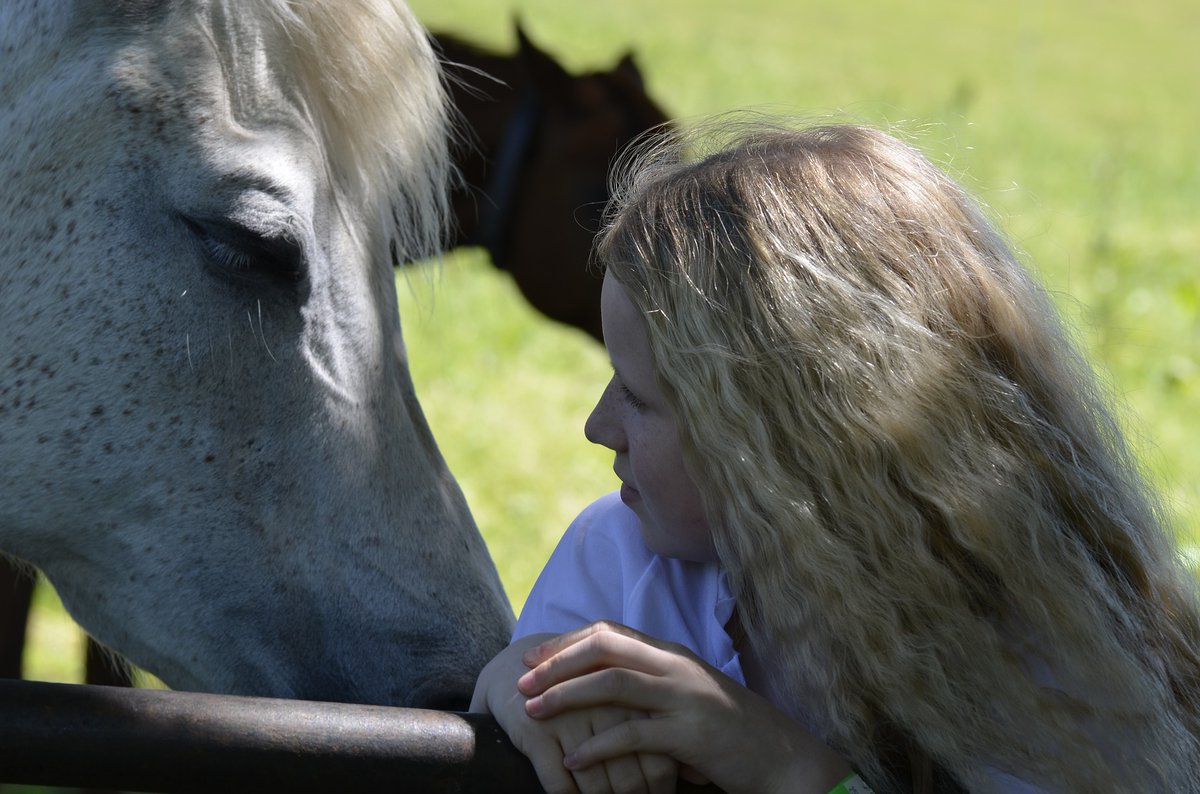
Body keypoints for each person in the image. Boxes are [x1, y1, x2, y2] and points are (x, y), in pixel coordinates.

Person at [470, 119, 1200, 793]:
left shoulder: (1063, 669)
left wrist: (789, 768)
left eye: (638, 396)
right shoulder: (623, 565)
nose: (598, 427)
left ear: (788, 441)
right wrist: (505, 690)